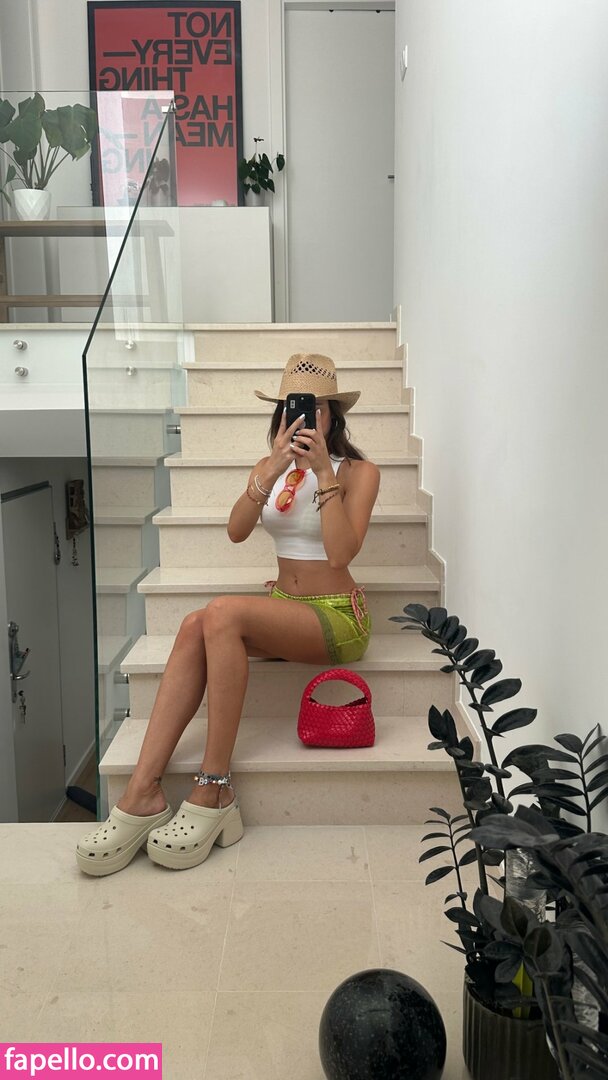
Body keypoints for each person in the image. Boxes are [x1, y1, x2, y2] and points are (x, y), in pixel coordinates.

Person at [76, 353, 380, 876]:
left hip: (336, 617)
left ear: (334, 415)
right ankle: (142, 791)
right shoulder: (271, 468)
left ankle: (214, 788)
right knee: (197, 624)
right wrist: (273, 469)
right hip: (287, 609)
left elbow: (340, 555)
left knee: (220, 612)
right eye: (293, 407)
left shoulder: (359, 473)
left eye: (316, 408)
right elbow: (237, 531)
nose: (304, 418)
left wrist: (323, 471)